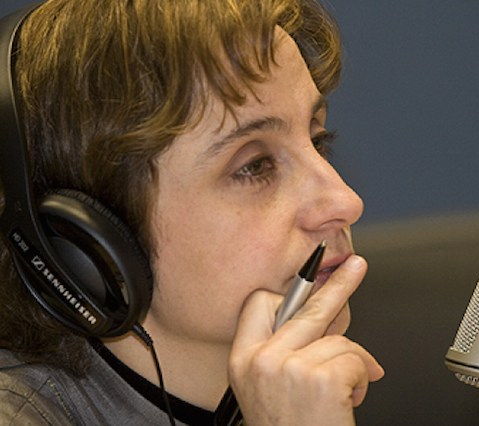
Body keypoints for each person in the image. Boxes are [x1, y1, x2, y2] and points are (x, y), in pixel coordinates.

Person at [0, 0, 384, 425]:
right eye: (255, 166)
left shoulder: (313, 395)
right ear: (91, 246)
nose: (345, 201)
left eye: (318, 140)